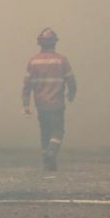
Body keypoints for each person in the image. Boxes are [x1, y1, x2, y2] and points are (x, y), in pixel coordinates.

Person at [22, 27, 77, 171]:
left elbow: (27, 85)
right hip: (57, 104)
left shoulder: (33, 61)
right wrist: (71, 94)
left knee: (45, 132)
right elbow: (71, 80)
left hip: (41, 104)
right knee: (58, 131)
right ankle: (52, 152)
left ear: (40, 43)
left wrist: (26, 105)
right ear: (54, 43)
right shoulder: (61, 60)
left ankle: (48, 162)